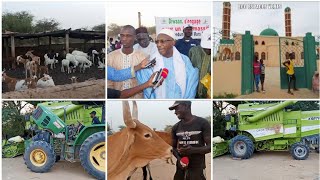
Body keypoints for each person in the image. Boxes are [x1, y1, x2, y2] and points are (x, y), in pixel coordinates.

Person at [136, 29, 199, 99]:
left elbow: (191, 84)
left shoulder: (184, 60)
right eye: (157, 42)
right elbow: (147, 89)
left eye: (162, 41)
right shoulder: (151, 61)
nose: (159, 45)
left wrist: (184, 101)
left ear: (173, 42)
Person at [169, 101, 211, 180]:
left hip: (197, 169)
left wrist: (193, 150)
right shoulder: (175, 127)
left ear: (187, 106)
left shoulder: (203, 123)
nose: (175, 112)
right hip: (181, 168)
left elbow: (210, 147)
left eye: (177, 108)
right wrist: (179, 159)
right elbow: (173, 148)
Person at [108, 25, 148, 98]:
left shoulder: (143, 57)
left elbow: (146, 82)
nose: (124, 39)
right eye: (122, 35)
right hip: (117, 99)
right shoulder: (110, 57)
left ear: (135, 37)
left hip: (138, 99)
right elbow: (110, 81)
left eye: (128, 36)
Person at [188, 30, 211, 98]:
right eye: (206, 48)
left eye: (210, 48)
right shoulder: (193, 51)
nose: (209, 50)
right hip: (193, 92)